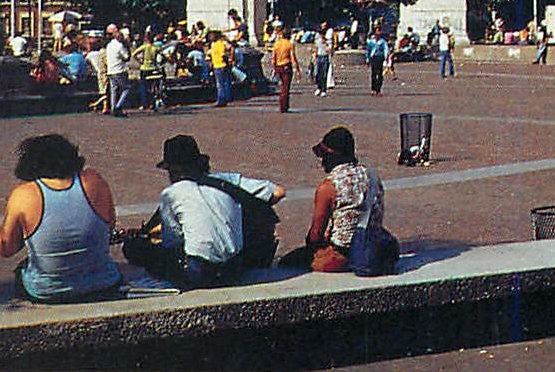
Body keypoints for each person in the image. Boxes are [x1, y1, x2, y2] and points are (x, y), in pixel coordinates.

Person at [121, 134, 285, 289]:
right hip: (234, 268)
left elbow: (173, 242)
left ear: (174, 170)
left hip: (199, 272)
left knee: (135, 249)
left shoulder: (171, 193)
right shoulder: (225, 181)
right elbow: (278, 192)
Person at [0, 133, 121, 303]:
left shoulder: (24, 194)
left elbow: (5, 249)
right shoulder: (94, 180)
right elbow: (110, 225)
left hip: (48, 291)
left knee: (23, 269)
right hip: (103, 283)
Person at [278, 126, 395, 275]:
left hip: (342, 255)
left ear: (332, 156)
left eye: (324, 156)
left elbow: (315, 235)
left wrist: (315, 246)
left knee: (288, 262)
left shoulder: (328, 187)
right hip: (373, 248)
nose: (322, 163)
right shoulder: (372, 176)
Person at [270, 25, 301, 113]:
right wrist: (297, 69)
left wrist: (274, 68)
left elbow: (273, 58)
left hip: (278, 66)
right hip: (286, 66)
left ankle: (283, 105)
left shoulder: (277, 44)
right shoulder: (289, 45)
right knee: (286, 87)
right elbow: (293, 58)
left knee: (282, 86)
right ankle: (284, 106)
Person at [103, 25, 132, 117]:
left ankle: (112, 107)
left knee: (113, 90)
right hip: (119, 70)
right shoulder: (120, 46)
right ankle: (118, 106)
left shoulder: (109, 45)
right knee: (126, 89)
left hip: (110, 70)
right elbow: (126, 57)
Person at [208, 30, 234, 107]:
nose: (210, 37)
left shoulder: (220, 44)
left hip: (221, 65)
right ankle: (226, 97)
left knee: (220, 84)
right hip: (216, 65)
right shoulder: (213, 44)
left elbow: (223, 55)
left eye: (212, 35)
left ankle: (221, 99)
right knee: (222, 83)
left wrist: (228, 61)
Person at [310, 24, 333, 97]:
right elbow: (315, 49)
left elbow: (330, 50)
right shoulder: (317, 41)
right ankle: (318, 87)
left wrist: (326, 44)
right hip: (318, 57)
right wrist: (314, 57)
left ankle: (323, 89)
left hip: (325, 57)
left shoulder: (328, 41)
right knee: (317, 73)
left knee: (324, 74)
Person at [365, 30, 389, 95]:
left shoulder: (382, 42)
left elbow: (385, 49)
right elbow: (368, 50)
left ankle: (378, 89)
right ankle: (373, 89)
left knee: (380, 74)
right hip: (373, 58)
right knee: (374, 74)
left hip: (380, 58)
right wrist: (367, 59)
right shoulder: (371, 42)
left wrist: (386, 57)